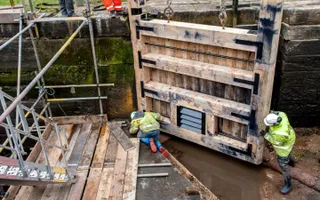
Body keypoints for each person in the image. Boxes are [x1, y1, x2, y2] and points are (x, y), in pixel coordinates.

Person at [261, 111, 296, 195]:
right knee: (289, 150)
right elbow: (281, 113)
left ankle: (288, 185)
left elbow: (275, 141)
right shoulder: (282, 116)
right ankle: (292, 162)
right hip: (291, 139)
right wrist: (274, 113)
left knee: (283, 165)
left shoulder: (280, 133)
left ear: (275, 123)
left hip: (283, 148)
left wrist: (266, 135)